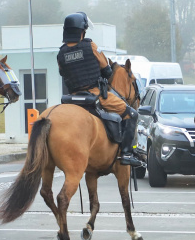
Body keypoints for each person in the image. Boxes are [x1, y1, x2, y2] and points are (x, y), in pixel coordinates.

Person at [57, 12, 140, 166]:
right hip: (95, 94)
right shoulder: (90, 46)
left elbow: (63, 73)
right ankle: (127, 153)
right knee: (132, 114)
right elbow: (107, 70)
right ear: (82, 31)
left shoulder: (61, 53)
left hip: (72, 98)